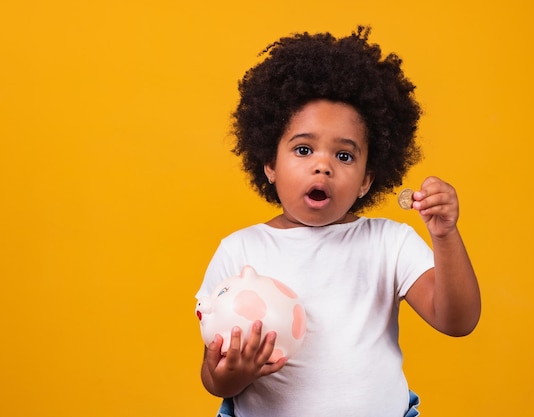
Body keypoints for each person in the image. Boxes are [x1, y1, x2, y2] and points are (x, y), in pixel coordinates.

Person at [195, 26, 481, 417]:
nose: (322, 165)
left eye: (344, 156)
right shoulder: (241, 251)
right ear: (269, 164)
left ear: (366, 179)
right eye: (303, 149)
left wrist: (445, 235)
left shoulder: (388, 243)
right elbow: (213, 378)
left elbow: (457, 320)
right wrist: (234, 374)